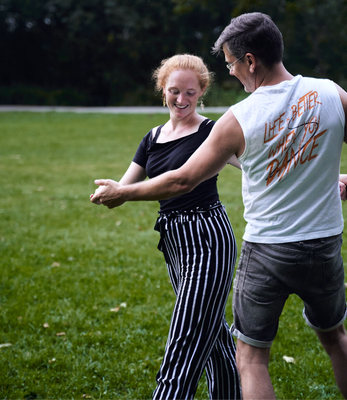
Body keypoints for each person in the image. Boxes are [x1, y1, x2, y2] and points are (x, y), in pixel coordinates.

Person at [91, 12, 347, 400]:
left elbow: (183, 179)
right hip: (324, 246)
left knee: (251, 357)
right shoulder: (332, 93)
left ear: (250, 61)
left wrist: (124, 193)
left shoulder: (237, 119)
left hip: (268, 251)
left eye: (231, 63)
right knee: (335, 339)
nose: (230, 72)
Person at [91, 54, 242, 399]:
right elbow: (125, 188)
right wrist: (107, 192)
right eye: (174, 91)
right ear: (163, 89)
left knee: (186, 337)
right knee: (213, 336)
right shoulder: (152, 137)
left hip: (209, 238)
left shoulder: (212, 132)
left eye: (190, 92)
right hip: (174, 242)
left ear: (202, 90)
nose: (182, 100)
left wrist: (321, 178)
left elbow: (258, 164)